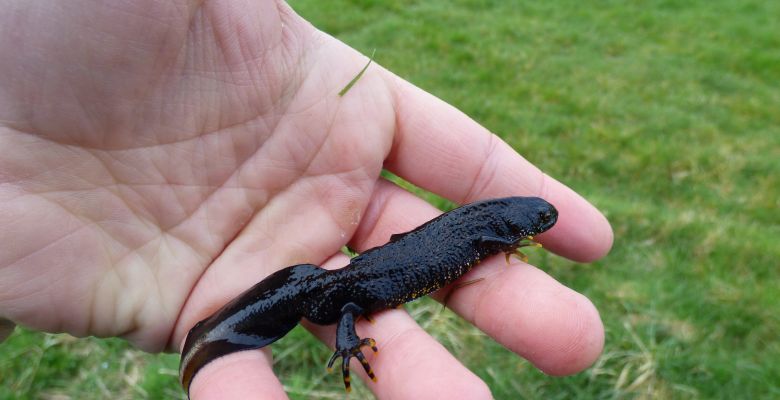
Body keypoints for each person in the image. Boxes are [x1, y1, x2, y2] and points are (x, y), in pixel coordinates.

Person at [0, 1, 613, 398]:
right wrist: (347, 335)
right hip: (350, 288)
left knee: (357, 282)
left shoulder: (489, 226)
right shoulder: (477, 233)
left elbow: (479, 231)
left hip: (357, 277)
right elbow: (470, 235)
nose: (533, 230)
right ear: (508, 227)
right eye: (532, 227)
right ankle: (262, 334)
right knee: (344, 298)